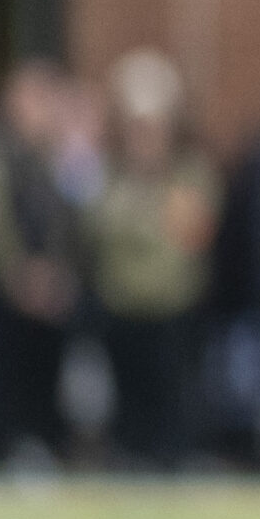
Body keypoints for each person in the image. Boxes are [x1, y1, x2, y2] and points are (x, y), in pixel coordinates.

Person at [86, 51, 218, 469]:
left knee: (173, 397)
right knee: (127, 403)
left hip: (172, 305)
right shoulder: (107, 173)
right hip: (122, 304)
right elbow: (99, 227)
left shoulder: (191, 173)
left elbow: (187, 238)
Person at [0, 59, 85, 466]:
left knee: (49, 367)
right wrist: (18, 272)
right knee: (8, 365)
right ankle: (1, 445)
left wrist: (57, 272)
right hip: (9, 283)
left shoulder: (64, 158)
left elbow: (73, 221)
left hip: (52, 283)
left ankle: (43, 441)